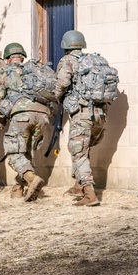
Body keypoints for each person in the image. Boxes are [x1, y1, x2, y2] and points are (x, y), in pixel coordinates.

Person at [53, 30, 107, 207]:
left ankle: (90, 194)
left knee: (78, 152)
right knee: (84, 149)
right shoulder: (92, 61)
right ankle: (78, 186)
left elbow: (62, 83)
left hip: (82, 113)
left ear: (65, 45)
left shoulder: (68, 61)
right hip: (100, 114)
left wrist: (55, 96)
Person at [0, 42, 49, 202]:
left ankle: (31, 179)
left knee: (14, 153)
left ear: (8, 58)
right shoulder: (34, 71)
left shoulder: (4, 71)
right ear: (22, 57)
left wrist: (0, 118)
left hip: (21, 114)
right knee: (26, 152)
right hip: (43, 115)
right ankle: (18, 189)